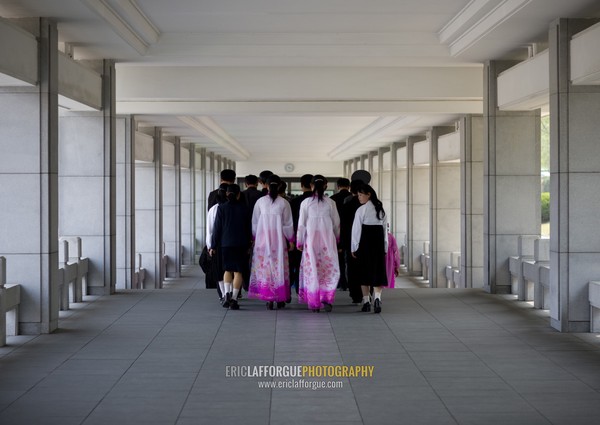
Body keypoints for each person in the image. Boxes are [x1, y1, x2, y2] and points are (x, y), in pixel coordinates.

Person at [248, 174, 295, 310]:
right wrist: (291, 239)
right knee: (279, 267)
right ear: (279, 185)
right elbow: (288, 224)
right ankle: (279, 296)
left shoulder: (260, 202)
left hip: (262, 241)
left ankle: (268, 297)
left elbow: (255, 223)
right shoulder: (284, 203)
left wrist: (254, 238)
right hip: (279, 241)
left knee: (265, 267)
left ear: (266, 185)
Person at [297, 175, 340, 312]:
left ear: (311, 186)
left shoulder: (306, 203)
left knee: (313, 269)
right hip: (328, 240)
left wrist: (300, 241)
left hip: (311, 240)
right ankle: (326, 298)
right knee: (328, 268)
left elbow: (301, 225)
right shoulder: (331, 203)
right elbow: (336, 224)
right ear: (326, 186)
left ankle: (314, 299)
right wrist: (337, 239)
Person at [210, 184, 252, 310]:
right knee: (238, 272)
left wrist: (213, 245)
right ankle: (234, 298)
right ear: (239, 194)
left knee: (227, 270)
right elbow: (248, 228)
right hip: (241, 244)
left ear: (227, 194)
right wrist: (249, 243)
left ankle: (226, 294)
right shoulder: (245, 209)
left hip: (225, 244)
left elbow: (216, 229)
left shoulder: (221, 208)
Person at [351, 184, 388, 314]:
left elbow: (356, 231)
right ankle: (377, 299)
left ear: (369, 194)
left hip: (365, 244)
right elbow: (385, 232)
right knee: (378, 271)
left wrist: (354, 247)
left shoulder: (361, 210)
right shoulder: (381, 210)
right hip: (378, 245)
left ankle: (366, 302)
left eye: (361, 195)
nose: (359, 197)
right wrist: (385, 247)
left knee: (364, 272)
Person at [340, 179, 365, 304]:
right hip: (365, 241)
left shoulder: (347, 204)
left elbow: (343, 226)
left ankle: (355, 294)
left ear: (351, 189)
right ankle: (366, 293)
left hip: (350, 242)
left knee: (352, 268)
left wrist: (342, 243)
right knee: (365, 268)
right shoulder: (366, 205)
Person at [289, 174, 313, 297]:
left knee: (299, 264)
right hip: (315, 239)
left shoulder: (295, 202)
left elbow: (291, 221)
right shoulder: (323, 201)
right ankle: (313, 290)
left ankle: (300, 289)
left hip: (300, 238)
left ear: (302, 186)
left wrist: (293, 239)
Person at [205, 183, 229, 301]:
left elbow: (209, 230)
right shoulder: (231, 207)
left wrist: (210, 246)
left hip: (216, 245)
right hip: (229, 243)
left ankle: (224, 294)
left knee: (219, 270)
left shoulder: (213, 209)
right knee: (229, 269)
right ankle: (229, 293)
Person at [329, 177, 351, 291]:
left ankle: (341, 281)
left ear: (338, 186)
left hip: (336, 232)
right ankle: (349, 281)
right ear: (349, 186)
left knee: (338, 259)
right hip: (350, 232)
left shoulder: (332, 199)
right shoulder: (353, 199)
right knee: (350, 260)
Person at [385, 224, 401, 288]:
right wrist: (396, 265)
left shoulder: (377, 236)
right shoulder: (391, 237)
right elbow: (396, 252)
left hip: (380, 260)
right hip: (389, 261)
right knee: (389, 276)